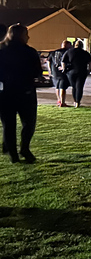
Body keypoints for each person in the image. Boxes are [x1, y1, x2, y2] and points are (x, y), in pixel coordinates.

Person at [0, 24, 43, 163]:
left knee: (8, 124)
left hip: (6, 92)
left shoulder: (2, 50)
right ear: (21, 36)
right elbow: (37, 72)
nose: (28, 37)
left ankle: (13, 153)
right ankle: (25, 147)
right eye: (26, 34)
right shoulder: (29, 52)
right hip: (26, 91)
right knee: (29, 123)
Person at [62, 40, 91, 108]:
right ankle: (77, 102)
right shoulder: (85, 53)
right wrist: (89, 70)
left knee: (74, 87)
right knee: (79, 87)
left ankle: (75, 100)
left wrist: (64, 69)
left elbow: (63, 61)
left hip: (71, 72)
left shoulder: (69, 52)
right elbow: (90, 62)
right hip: (82, 71)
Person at [48, 40, 72, 107]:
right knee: (62, 87)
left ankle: (58, 100)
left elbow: (48, 61)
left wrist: (50, 70)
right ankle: (62, 102)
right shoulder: (67, 52)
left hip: (54, 71)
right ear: (67, 45)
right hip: (63, 72)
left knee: (57, 86)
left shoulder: (54, 52)